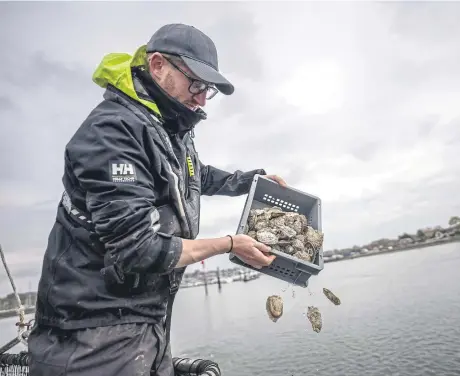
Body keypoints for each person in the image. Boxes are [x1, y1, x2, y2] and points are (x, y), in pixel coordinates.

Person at [27, 23, 286, 376]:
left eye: (206, 89)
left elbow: (195, 175)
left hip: (146, 326)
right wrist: (228, 244)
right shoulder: (113, 133)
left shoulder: (170, 127)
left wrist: (250, 180)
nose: (200, 98)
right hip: (91, 337)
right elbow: (137, 249)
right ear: (158, 65)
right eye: (195, 84)